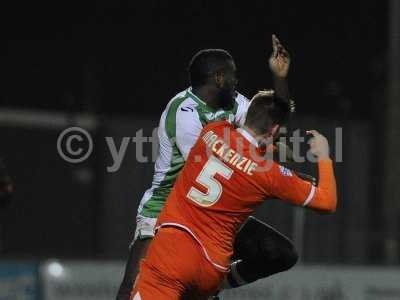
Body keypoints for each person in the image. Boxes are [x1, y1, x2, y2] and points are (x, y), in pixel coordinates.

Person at [117, 35, 299, 299]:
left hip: (211, 208)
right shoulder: (184, 112)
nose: (237, 81)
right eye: (233, 75)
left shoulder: (233, 102)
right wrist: (279, 176)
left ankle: (209, 286)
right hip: (167, 209)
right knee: (132, 286)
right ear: (218, 78)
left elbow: (271, 121)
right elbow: (211, 165)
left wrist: (279, 79)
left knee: (279, 254)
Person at [130, 90, 337, 299]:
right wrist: (324, 156)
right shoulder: (269, 174)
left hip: (173, 252)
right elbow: (327, 202)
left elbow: (236, 149)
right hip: (211, 269)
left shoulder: (213, 131)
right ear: (274, 129)